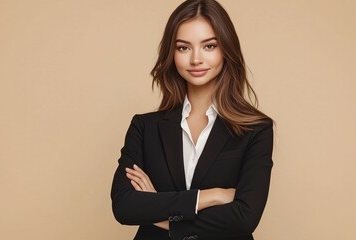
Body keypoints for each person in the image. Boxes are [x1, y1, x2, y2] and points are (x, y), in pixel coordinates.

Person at [111, 0, 274, 239]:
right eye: (183, 48)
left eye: (209, 46)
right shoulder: (144, 127)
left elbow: (244, 218)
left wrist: (158, 209)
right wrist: (211, 196)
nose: (196, 59)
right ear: (172, 53)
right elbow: (125, 206)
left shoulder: (256, 129)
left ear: (226, 49)